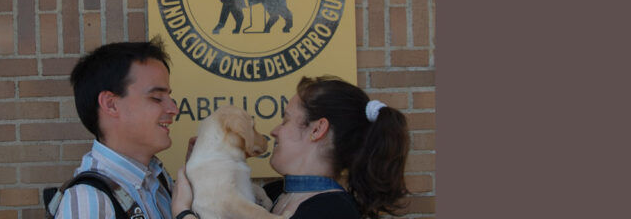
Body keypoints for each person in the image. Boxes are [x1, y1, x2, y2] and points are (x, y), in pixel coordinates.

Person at [172, 75, 411, 219]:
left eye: (285, 119)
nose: (274, 130)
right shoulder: (274, 192)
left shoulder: (333, 211)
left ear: (317, 130)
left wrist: (183, 213)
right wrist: (203, 182)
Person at [53, 39, 184, 219]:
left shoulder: (158, 179)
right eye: (156, 98)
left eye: (169, 96)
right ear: (111, 104)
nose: (174, 109)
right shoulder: (90, 201)